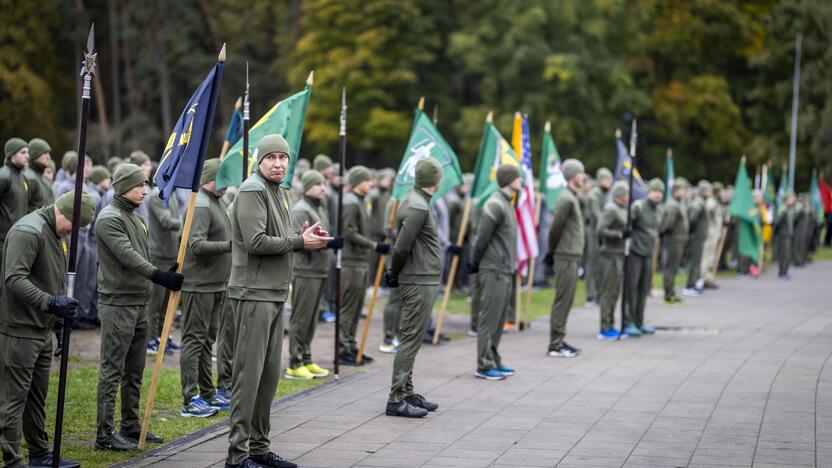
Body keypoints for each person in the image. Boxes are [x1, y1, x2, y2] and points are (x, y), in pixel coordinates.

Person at [225, 135, 329, 468]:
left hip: (273, 292)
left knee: (268, 377)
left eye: (283, 157)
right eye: (271, 157)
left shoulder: (278, 191)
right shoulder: (253, 189)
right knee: (248, 377)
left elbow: (278, 236)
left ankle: (259, 447)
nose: (278, 163)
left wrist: (301, 234)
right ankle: (237, 455)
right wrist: (300, 241)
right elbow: (256, 241)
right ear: (259, 160)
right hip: (253, 293)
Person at [0, 192, 93, 468]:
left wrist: (58, 325)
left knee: (36, 398)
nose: (73, 234)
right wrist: (50, 302)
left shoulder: (56, 233)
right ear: (62, 212)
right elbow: (14, 278)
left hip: (42, 327)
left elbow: (52, 278)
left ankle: (40, 454)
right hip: (20, 329)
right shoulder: (29, 231)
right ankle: (12, 461)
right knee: (12, 400)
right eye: (74, 227)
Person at [95, 163, 184, 451]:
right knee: (112, 370)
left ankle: (130, 426)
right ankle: (104, 434)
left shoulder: (135, 216)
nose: (144, 190)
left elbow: (141, 253)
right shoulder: (109, 218)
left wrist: (162, 271)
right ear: (122, 187)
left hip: (138, 302)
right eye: (138, 185)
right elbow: (128, 256)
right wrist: (159, 276)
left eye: (145, 185)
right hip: (118, 303)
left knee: (134, 371)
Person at [382, 157, 444, 417]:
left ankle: (407, 390)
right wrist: (393, 272)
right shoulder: (418, 206)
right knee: (409, 339)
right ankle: (396, 398)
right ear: (436, 180)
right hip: (418, 279)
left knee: (413, 338)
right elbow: (403, 245)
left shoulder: (416, 201)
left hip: (422, 277)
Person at [179, 159, 232, 418]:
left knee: (207, 340)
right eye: (221, 179)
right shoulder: (200, 204)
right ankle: (190, 398)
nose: (226, 184)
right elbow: (196, 245)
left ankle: (207, 392)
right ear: (208, 178)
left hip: (215, 284)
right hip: (199, 285)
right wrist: (228, 245)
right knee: (194, 340)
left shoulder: (216, 202)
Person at [470, 164, 521, 379]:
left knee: (499, 320)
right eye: (516, 177)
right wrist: (474, 261)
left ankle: (494, 358)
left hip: (505, 269)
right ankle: (483, 365)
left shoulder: (506, 203)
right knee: (489, 318)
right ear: (508, 179)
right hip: (493, 268)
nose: (520, 180)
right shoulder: (495, 204)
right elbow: (481, 238)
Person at [286, 170, 338, 380]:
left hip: (318, 269)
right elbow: (298, 241)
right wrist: (327, 244)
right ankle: (294, 362)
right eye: (318, 184)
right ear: (307, 186)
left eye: (324, 184)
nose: (323, 188)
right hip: (305, 270)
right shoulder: (301, 209)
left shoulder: (317, 207)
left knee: (312, 317)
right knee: (301, 317)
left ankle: (306, 357)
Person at [338, 165, 389, 365]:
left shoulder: (361, 201)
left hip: (361, 260)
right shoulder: (350, 202)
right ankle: (343, 348)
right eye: (367, 180)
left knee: (357, 307)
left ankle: (351, 345)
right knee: (349, 308)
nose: (371, 184)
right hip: (352, 261)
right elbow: (349, 232)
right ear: (358, 182)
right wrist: (374, 245)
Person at [545, 159, 586, 358]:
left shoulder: (573, 197)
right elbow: (555, 229)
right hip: (565, 256)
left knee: (568, 300)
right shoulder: (566, 199)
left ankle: (560, 339)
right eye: (581, 173)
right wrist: (552, 252)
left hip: (572, 256)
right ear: (572, 175)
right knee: (563, 300)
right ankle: (555, 344)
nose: (584, 176)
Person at [146, 176, 182, 354]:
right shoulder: (157, 196)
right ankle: (150, 339)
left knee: (166, 303)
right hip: (158, 255)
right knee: (155, 302)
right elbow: (166, 221)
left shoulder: (172, 194)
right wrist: (188, 226)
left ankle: (162, 336)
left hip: (170, 254)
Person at [623, 179, 663, 336]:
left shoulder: (658, 210)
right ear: (649, 192)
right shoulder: (638, 207)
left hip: (648, 252)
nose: (658, 195)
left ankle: (639, 320)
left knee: (643, 289)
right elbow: (627, 224)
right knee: (631, 288)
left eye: (660, 192)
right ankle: (629, 320)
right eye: (655, 191)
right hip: (635, 252)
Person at [596, 181, 629, 340]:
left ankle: (611, 324)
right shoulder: (611, 209)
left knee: (615, 292)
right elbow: (601, 229)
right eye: (625, 194)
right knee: (608, 292)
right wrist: (619, 235)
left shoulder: (622, 209)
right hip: (609, 254)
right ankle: (604, 327)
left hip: (619, 253)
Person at [1, 138, 31, 271]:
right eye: (23, 152)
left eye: (28, 152)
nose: (27, 156)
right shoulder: (3, 176)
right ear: (12, 155)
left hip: (17, 240)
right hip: (3, 241)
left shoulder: (23, 178)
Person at [659, 179, 689, 304]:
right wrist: (663, 232)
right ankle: (668, 293)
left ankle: (671, 291)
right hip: (673, 240)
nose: (684, 192)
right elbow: (668, 223)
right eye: (682, 190)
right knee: (670, 268)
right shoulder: (672, 204)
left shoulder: (677, 203)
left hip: (678, 240)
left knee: (673, 267)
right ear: (676, 191)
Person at [585, 168, 612, 305]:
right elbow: (597, 215)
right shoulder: (595, 194)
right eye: (607, 179)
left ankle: (598, 293)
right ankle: (591, 295)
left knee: (600, 264)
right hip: (594, 232)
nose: (609, 182)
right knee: (593, 264)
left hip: (600, 231)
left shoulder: (604, 194)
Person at [683, 180, 710, 296]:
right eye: (708, 190)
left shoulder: (701, 202)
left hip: (698, 237)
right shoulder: (699, 202)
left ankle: (694, 283)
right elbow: (692, 218)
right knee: (694, 262)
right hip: (696, 237)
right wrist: (693, 231)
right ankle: (690, 285)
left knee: (697, 262)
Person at [700, 181, 724, 289]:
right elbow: (707, 211)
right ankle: (704, 278)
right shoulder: (710, 202)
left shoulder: (714, 201)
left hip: (714, 232)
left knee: (710, 256)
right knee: (706, 256)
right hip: (709, 232)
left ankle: (707, 277)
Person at [23, 138, 54, 211]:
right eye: (45, 153)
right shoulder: (29, 178)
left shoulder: (44, 179)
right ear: (35, 155)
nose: (48, 157)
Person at [776, 192, 797, 279]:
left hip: (789, 234)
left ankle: (784, 271)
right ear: (787, 199)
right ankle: (783, 272)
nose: (794, 200)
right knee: (785, 254)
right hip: (784, 235)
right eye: (792, 198)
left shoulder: (791, 209)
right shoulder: (783, 208)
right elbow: (778, 222)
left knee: (787, 254)